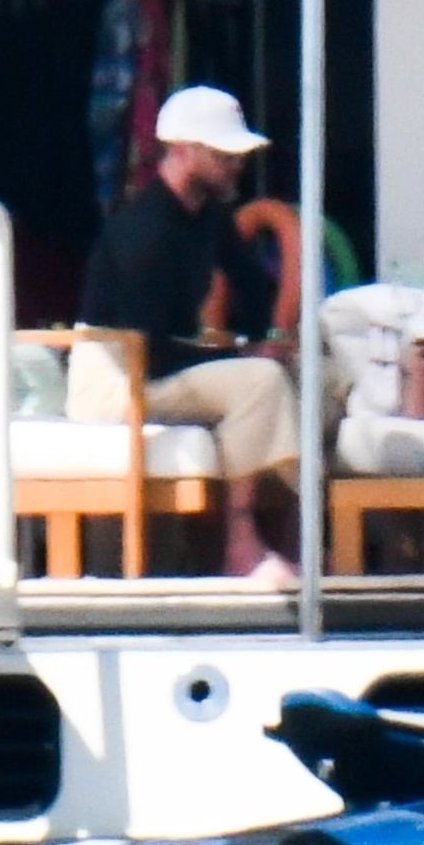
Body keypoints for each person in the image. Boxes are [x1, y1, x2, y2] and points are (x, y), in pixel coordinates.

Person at [73, 85, 303, 587]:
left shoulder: (207, 218)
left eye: (237, 155)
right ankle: (240, 545)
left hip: (159, 362)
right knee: (258, 382)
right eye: (223, 155)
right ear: (181, 152)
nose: (235, 166)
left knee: (300, 372)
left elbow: (250, 284)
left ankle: (294, 537)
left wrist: (267, 337)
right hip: (119, 377)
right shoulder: (143, 231)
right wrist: (239, 355)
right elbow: (149, 348)